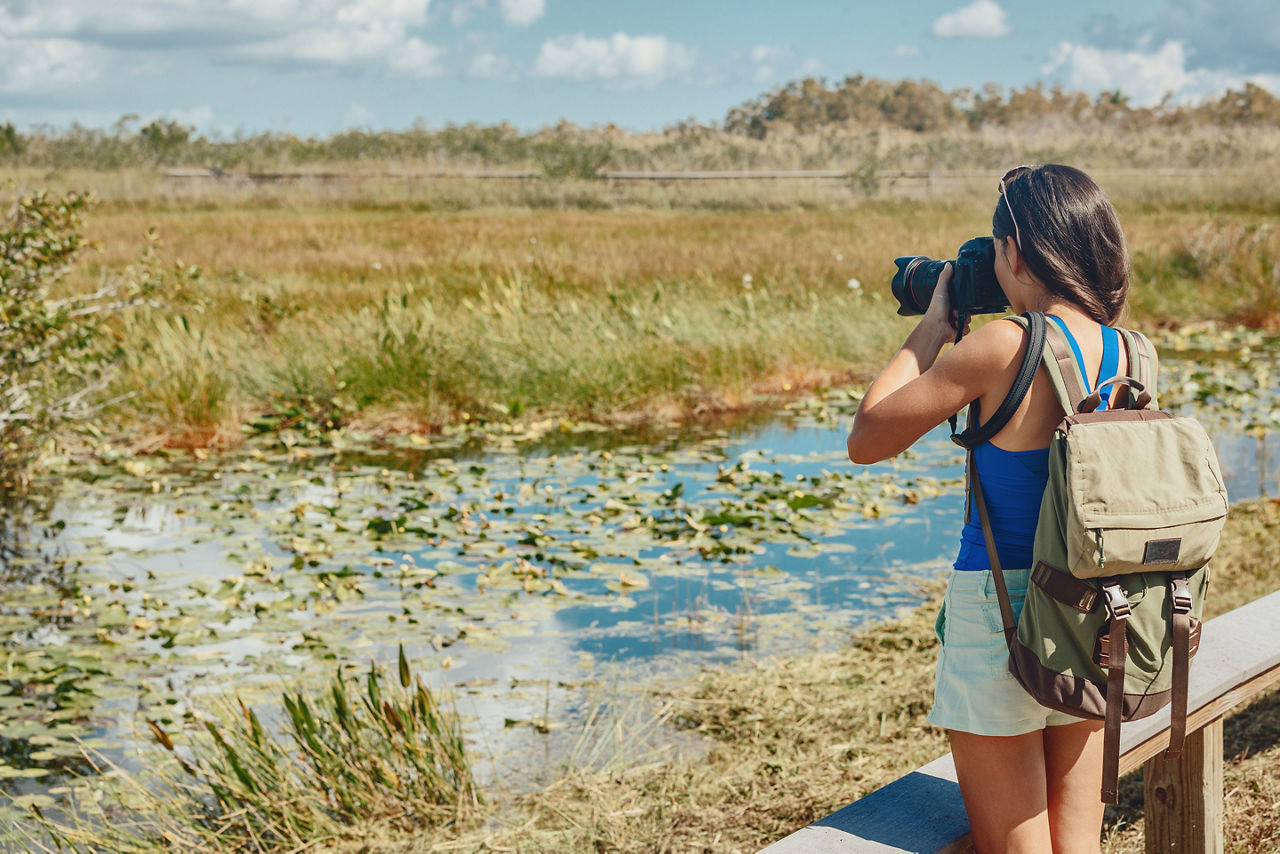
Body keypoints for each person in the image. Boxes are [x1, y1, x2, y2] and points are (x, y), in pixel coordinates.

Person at [846, 164, 1146, 854]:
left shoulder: (1006, 343)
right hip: (1100, 607)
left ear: (1014, 252)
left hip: (1002, 616)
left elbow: (867, 437)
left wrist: (935, 323)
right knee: (1077, 845)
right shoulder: (1133, 348)